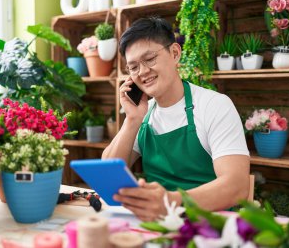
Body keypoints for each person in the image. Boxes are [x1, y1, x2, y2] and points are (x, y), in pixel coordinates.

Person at [102, 17, 250, 222]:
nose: (143, 72)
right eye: (133, 67)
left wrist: (170, 201)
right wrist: (132, 120)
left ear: (174, 53)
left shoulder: (215, 105)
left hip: (210, 225)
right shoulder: (143, 115)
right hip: (159, 224)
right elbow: (107, 175)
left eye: (150, 58)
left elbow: (237, 186)